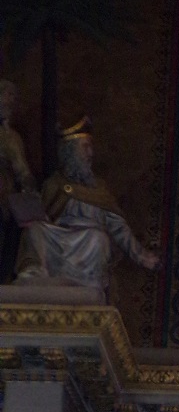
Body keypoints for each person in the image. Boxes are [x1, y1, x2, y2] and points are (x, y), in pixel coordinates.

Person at [14, 117, 160, 297]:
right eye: (85, 147)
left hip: (87, 237)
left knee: (98, 239)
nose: (90, 153)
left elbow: (119, 228)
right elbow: (42, 215)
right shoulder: (54, 184)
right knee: (35, 230)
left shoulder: (99, 189)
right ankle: (35, 273)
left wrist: (142, 256)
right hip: (57, 237)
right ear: (71, 152)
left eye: (91, 147)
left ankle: (86, 283)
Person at [0, 80, 36, 282]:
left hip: (5, 196)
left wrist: (28, 185)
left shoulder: (12, 138)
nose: (10, 101)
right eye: (6, 95)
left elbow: (22, 169)